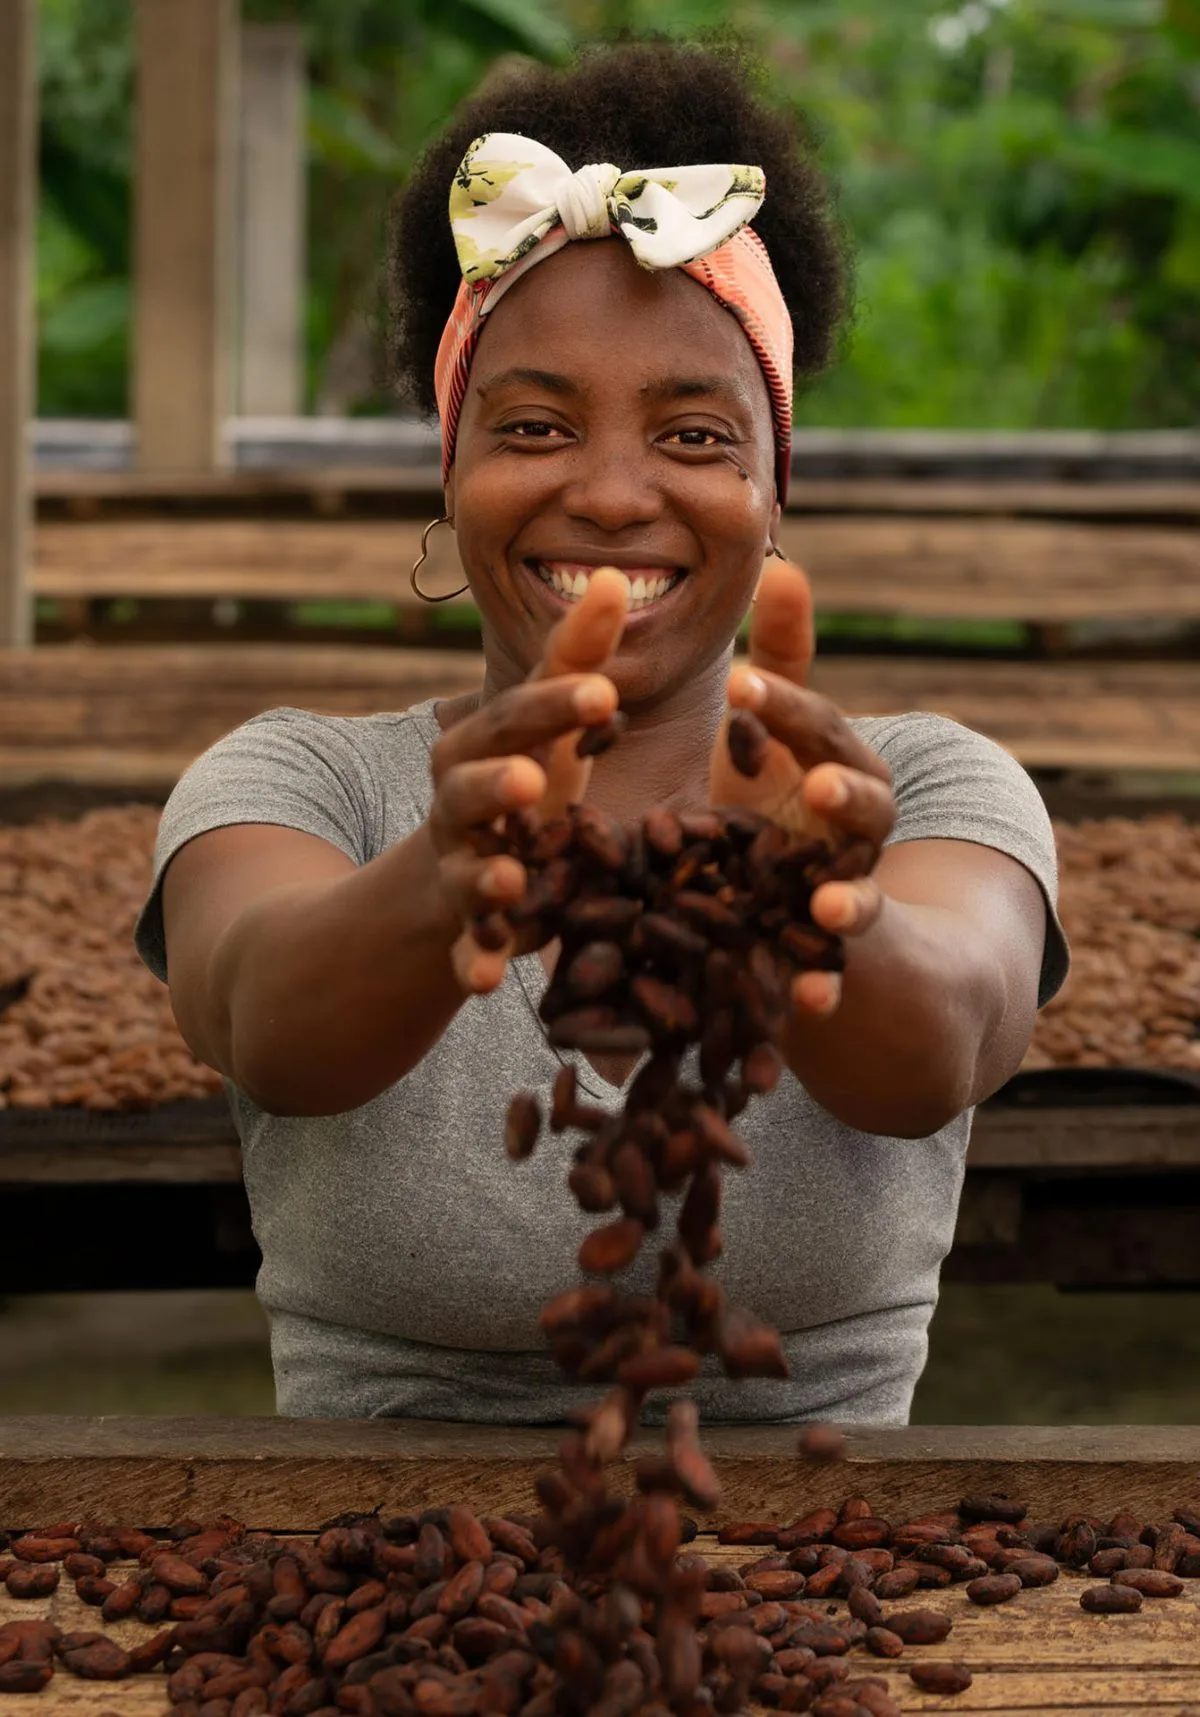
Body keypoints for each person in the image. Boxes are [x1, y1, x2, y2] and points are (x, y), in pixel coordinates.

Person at [135, 40, 1068, 1425]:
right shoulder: (300, 781)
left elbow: (939, 1048)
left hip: (824, 1579)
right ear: (451, 475)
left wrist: (805, 903)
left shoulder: (922, 784)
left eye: (695, 436)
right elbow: (267, 1019)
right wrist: (444, 872)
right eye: (534, 425)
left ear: (774, 494)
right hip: (368, 1574)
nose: (616, 493)